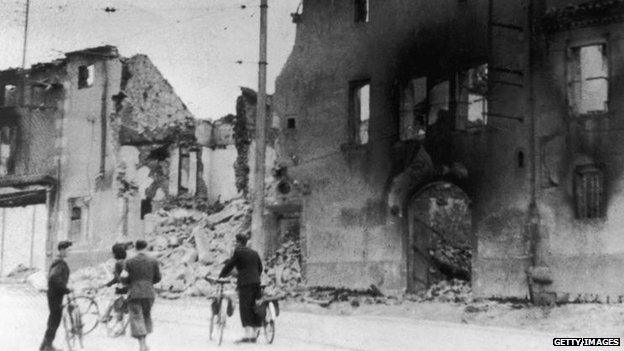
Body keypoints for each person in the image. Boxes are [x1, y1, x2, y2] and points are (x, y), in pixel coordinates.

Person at [219, 233, 263, 343]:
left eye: (235, 242)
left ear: (238, 242)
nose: (235, 243)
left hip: (245, 284)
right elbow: (260, 267)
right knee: (254, 306)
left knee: (245, 307)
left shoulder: (238, 252)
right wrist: (255, 277)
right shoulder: (254, 252)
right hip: (256, 282)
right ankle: (254, 334)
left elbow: (230, 265)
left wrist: (221, 275)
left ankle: (248, 335)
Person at [123, 239, 161, 351]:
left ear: (135, 248)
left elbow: (124, 278)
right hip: (149, 293)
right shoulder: (154, 261)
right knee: (146, 315)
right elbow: (158, 278)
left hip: (135, 293)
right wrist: (148, 283)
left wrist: (130, 283)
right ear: (146, 247)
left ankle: (141, 344)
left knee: (136, 317)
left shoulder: (129, 262)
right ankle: (145, 342)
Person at [39, 240, 73, 351]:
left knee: (53, 319)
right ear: (62, 250)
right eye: (68, 249)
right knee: (55, 319)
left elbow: (55, 278)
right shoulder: (60, 263)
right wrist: (66, 289)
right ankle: (47, 345)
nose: (69, 252)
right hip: (55, 295)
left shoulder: (58, 261)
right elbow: (54, 278)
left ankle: (45, 345)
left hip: (54, 294)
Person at [99, 243, 128, 324]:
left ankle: (106, 317)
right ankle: (111, 317)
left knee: (114, 302)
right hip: (128, 287)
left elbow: (117, 278)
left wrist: (107, 285)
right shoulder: (126, 262)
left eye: (113, 252)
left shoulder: (118, 264)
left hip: (121, 288)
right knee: (119, 304)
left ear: (116, 253)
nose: (111, 254)